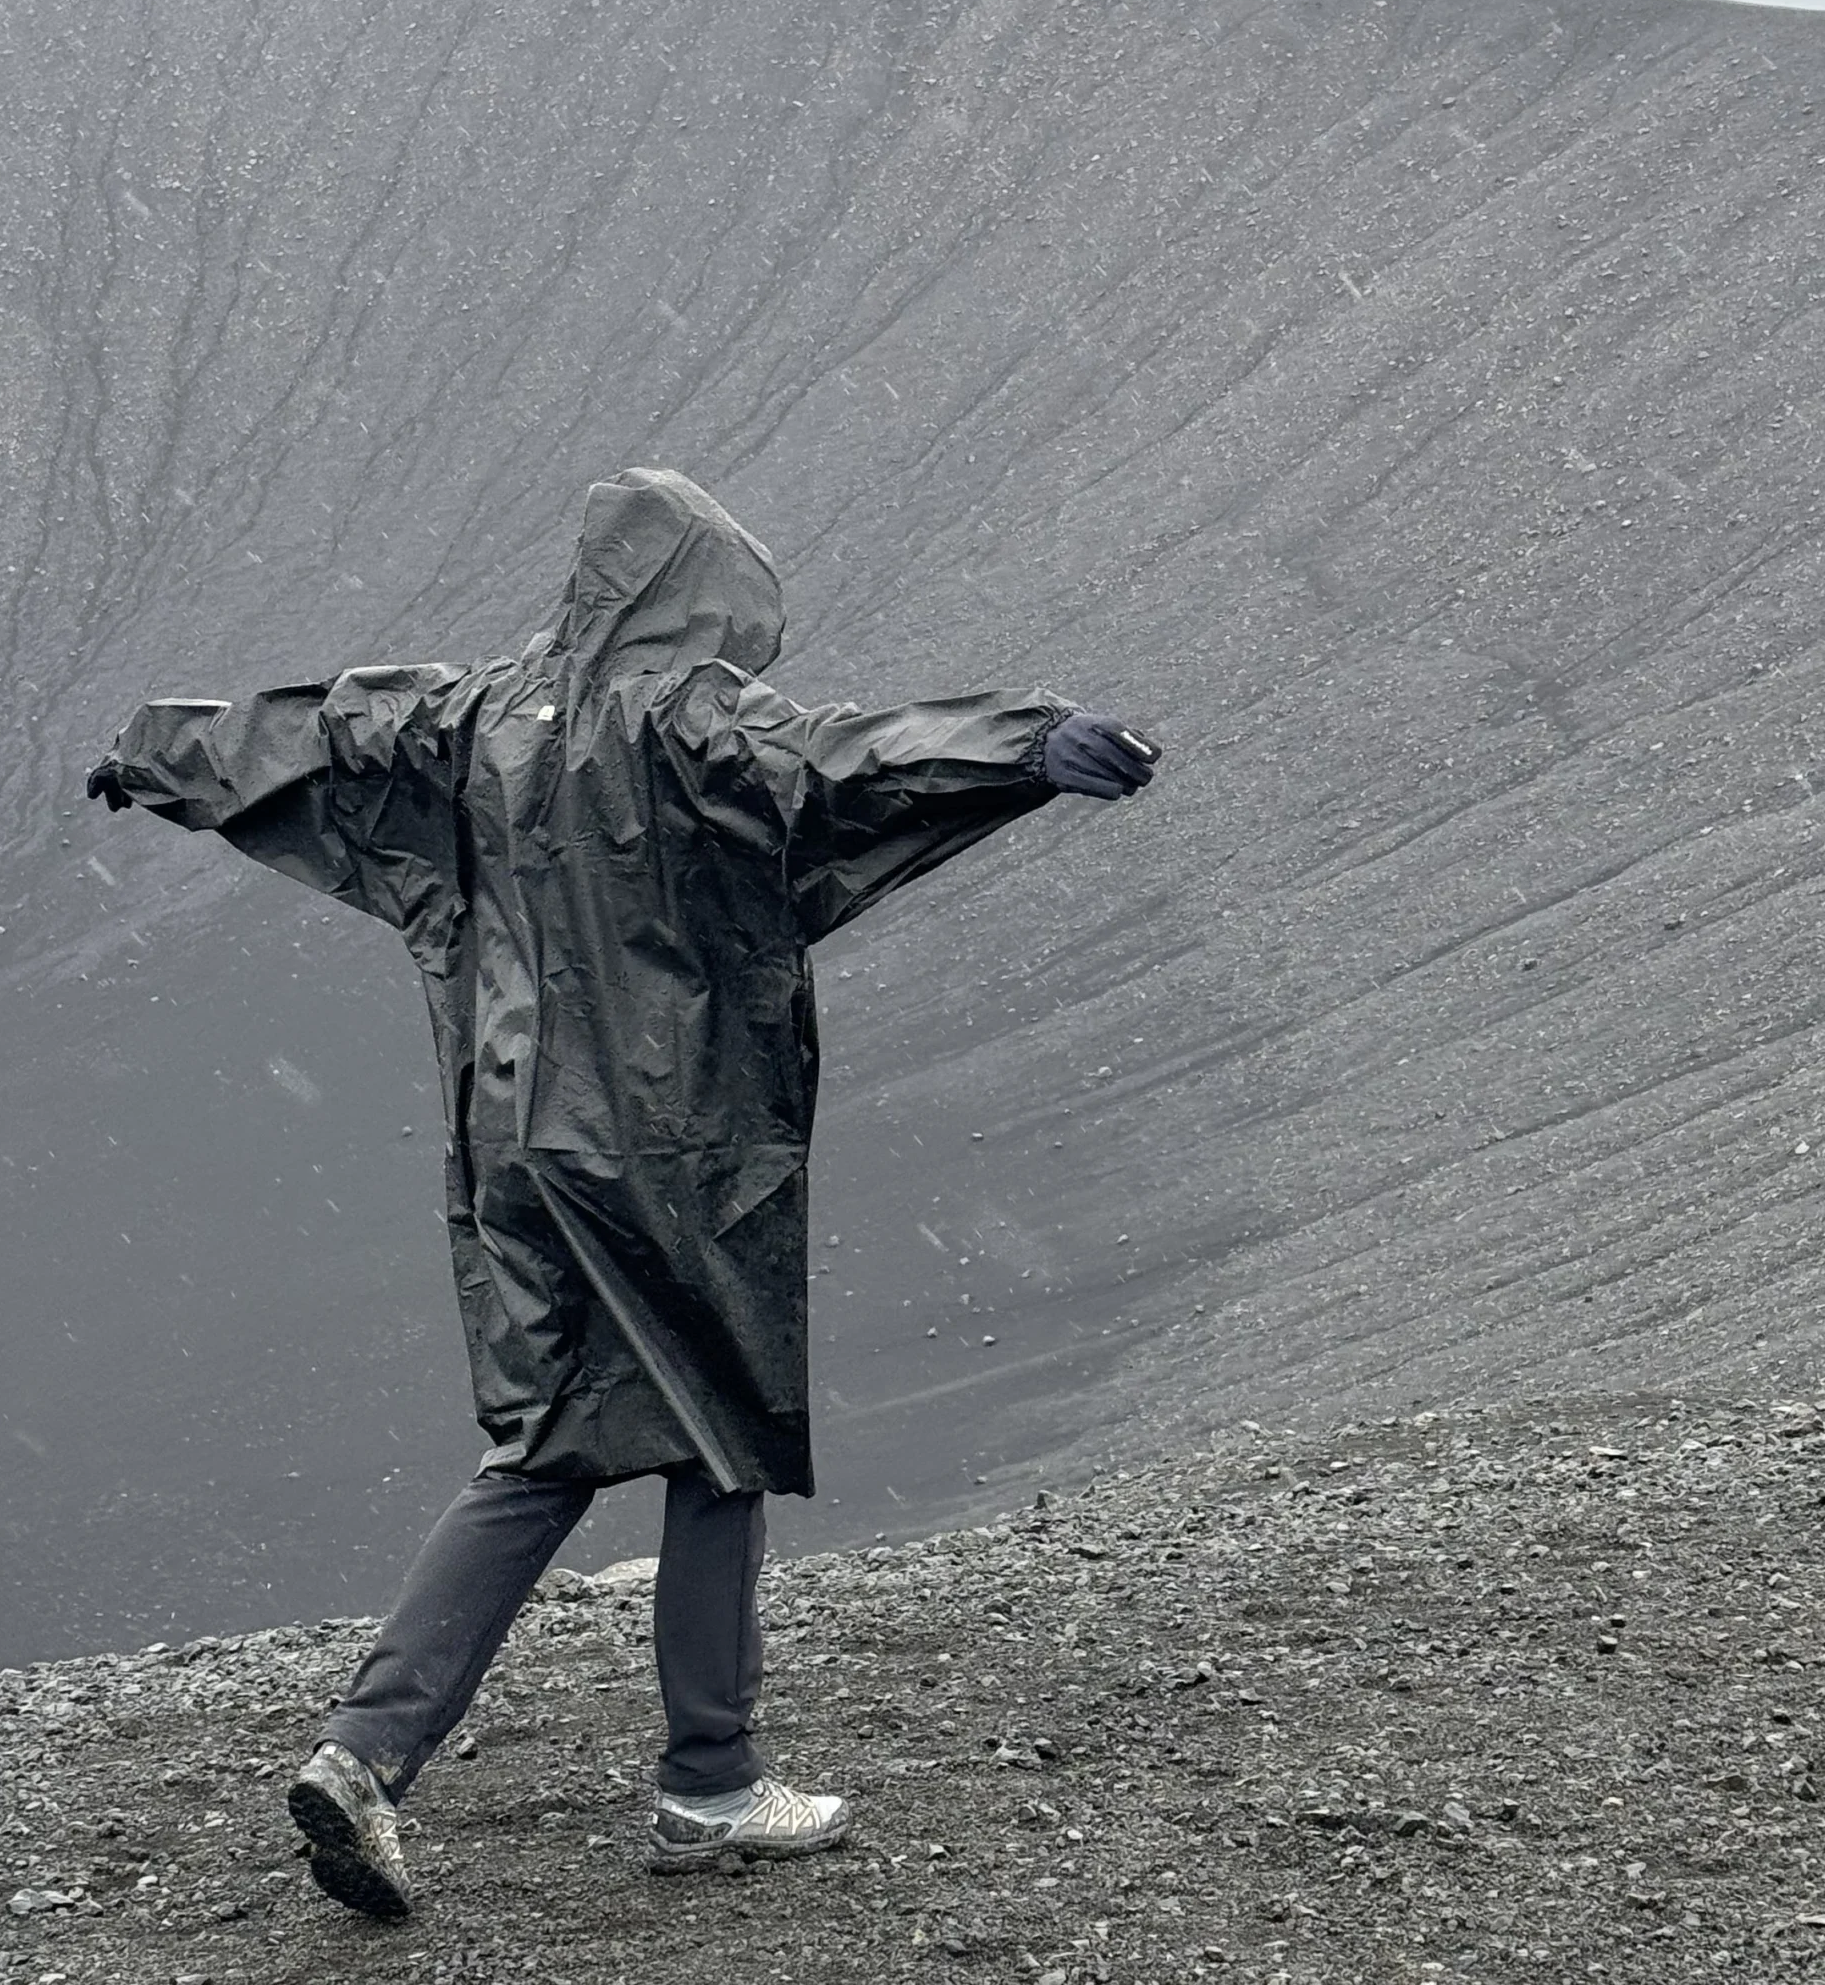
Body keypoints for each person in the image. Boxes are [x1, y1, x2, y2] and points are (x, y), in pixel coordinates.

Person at [86, 467, 1160, 1918]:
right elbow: (847, 761)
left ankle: (364, 1754)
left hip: (516, 1137)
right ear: (698, 593)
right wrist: (1033, 744)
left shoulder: (474, 716)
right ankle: (708, 1780)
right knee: (715, 1433)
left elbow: (311, 726)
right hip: (667, 1143)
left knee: (548, 1441)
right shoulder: (688, 718)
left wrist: (163, 755)